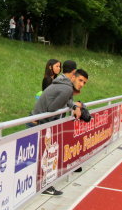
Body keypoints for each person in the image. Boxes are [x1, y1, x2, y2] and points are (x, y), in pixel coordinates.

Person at [31, 62, 89, 195]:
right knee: (42, 158)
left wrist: (74, 106)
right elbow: (52, 108)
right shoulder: (67, 88)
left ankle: (44, 185)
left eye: (84, 83)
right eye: (80, 80)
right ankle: (44, 186)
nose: (81, 85)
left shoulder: (63, 83)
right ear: (73, 74)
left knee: (43, 157)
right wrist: (73, 105)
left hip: (40, 121)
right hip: (39, 123)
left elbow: (66, 100)